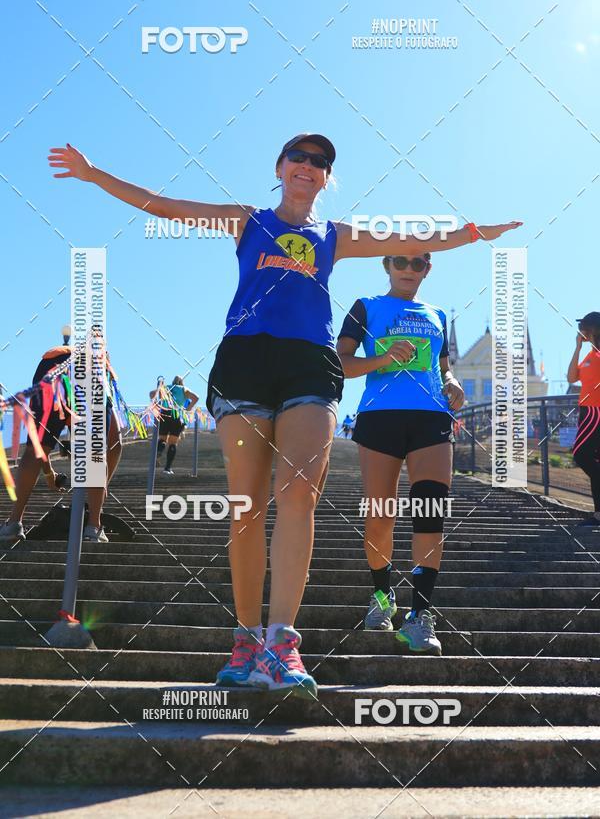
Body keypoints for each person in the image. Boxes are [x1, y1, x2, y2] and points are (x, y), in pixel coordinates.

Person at [47, 135, 520, 698]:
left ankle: (282, 644)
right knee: (246, 505)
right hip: (244, 361)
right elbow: (165, 206)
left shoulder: (336, 235)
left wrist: (474, 233)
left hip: (309, 364)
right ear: (280, 167)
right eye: (299, 156)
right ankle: (246, 641)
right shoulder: (247, 221)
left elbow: (414, 238)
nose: (309, 166)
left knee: (299, 495)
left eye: (321, 162)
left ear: (327, 179)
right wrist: (94, 173)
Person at [337, 252, 465, 655]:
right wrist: (384, 358)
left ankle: (420, 615)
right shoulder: (365, 307)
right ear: (386, 265)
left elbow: (443, 367)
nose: (408, 270)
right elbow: (340, 363)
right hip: (381, 417)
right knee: (380, 516)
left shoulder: (437, 314)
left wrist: (453, 382)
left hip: (432, 418)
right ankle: (382, 596)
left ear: (428, 269)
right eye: (400, 262)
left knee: (430, 510)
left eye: (418, 263)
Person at [0, 340, 122, 545]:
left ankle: (14, 523)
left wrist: (49, 474)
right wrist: (102, 485)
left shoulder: (61, 356)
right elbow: (116, 442)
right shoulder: (101, 366)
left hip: (51, 371)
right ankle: (93, 527)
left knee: (35, 447)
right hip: (87, 377)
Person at [567, 312, 600, 528]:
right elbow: (571, 378)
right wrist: (578, 347)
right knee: (594, 461)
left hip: (595, 411)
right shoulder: (590, 355)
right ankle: (598, 515)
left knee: (581, 454)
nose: (581, 332)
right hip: (587, 411)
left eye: (584, 328)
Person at [149, 376, 199, 475]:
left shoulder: (166, 388)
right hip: (177, 415)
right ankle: (167, 468)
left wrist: (156, 405)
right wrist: (188, 408)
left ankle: (159, 451)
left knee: (162, 439)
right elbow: (196, 397)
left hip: (164, 414)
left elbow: (151, 394)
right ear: (182, 382)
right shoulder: (184, 389)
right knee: (173, 443)